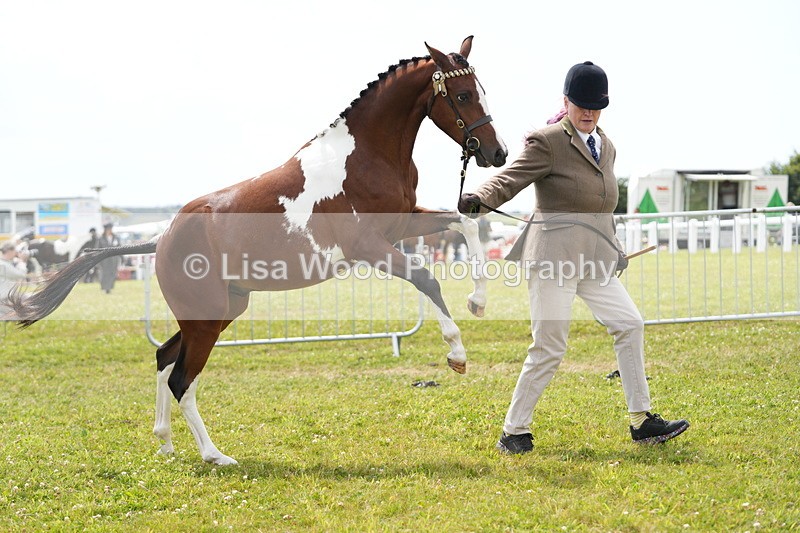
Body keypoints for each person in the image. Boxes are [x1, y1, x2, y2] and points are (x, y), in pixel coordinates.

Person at [458, 61, 689, 454]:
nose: (589, 113)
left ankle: (641, 420)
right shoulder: (547, 141)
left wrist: (615, 249)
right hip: (553, 258)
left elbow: (603, 205)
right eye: (582, 105)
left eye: (596, 107)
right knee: (550, 346)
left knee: (630, 324)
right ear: (566, 102)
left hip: (595, 259)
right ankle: (514, 431)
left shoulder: (606, 145)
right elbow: (510, 178)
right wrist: (480, 197)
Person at [1, 240, 28, 320]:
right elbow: (21, 274)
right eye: (15, 251)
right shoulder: (3, 265)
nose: (16, 253)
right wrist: (22, 261)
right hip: (4, 299)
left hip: (7, 298)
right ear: (9, 251)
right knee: (18, 318)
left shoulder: (4, 263)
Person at [98, 223, 121, 294]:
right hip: (104, 259)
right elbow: (98, 249)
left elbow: (120, 247)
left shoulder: (115, 237)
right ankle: (105, 288)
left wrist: (122, 258)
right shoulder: (101, 238)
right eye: (108, 229)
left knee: (112, 273)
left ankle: (110, 287)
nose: (109, 230)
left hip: (114, 259)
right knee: (104, 273)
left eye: (110, 229)